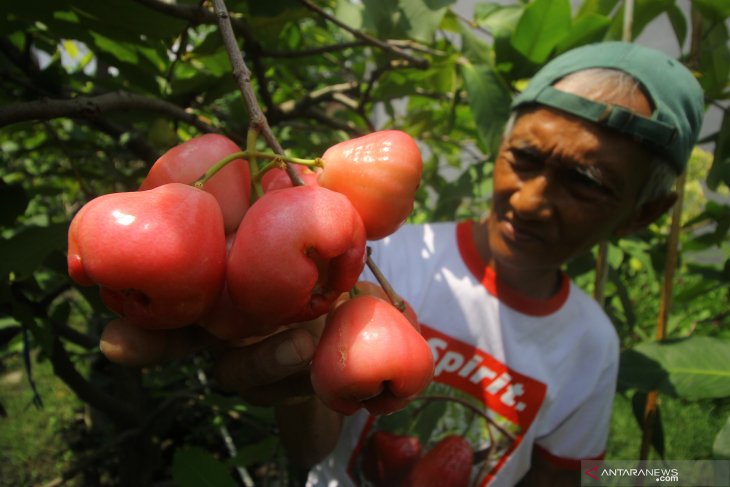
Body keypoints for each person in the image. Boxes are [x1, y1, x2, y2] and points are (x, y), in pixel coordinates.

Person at [99, 41, 705, 486]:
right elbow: (313, 451)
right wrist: (291, 365)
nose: (530, 199)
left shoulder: (593, 347)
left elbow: (569, 476)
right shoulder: (380, 256)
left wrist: (681, 478)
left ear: (643, 215)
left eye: (587, 181)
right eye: (524, 156)